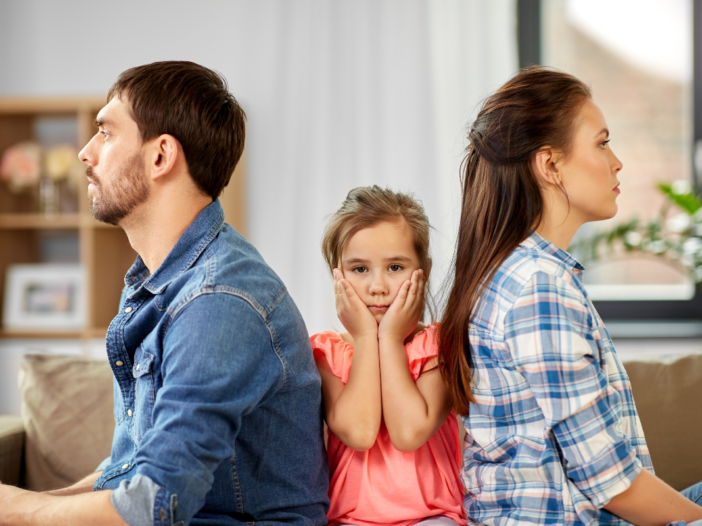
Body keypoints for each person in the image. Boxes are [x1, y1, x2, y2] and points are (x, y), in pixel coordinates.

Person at [0, 61, 329, 526]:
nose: (85, 153)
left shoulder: (218, 301)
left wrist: (19, 510)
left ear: (160, 157)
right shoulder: (157, 286)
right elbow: (130, 472)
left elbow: (154, 502)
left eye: (106, 133)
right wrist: (22, 503)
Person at [438, 66, 702, 526]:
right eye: (602, 143)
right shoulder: (538, 288)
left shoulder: (518, 272)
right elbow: (612, 484)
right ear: (550, 165)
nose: (617, 161)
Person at [310, 186, 466, 526]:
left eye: (395, 267)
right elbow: (360, 432)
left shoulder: (438, 346)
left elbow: (409, 432)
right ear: (337, 274)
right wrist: (368, 337)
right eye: (359, 269)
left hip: (433, 516)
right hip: (348, 520)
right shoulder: (326, 353)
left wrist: (391, 340)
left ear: (423, 270)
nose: (377, 286)